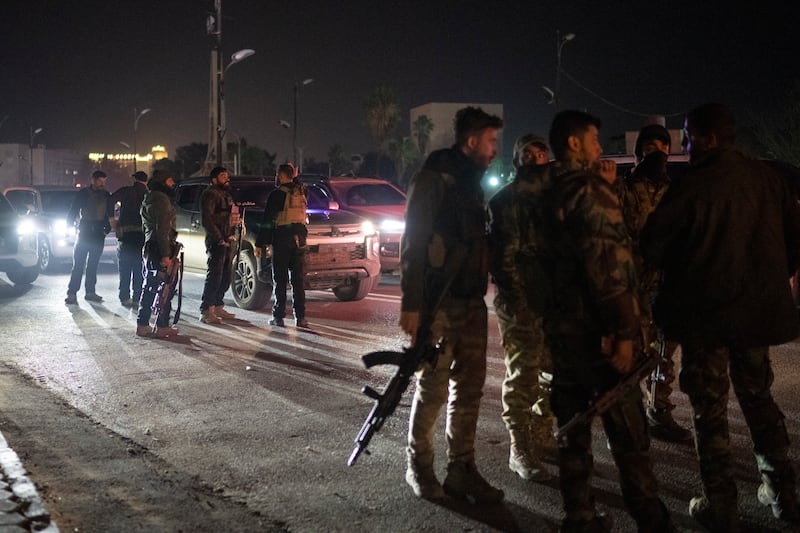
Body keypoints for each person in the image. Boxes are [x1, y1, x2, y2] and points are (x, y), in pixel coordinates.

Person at [640, 103, 800, 532]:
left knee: (708, 411)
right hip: (756, 317)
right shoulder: (769, 178)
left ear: (707, 137)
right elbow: (793, 244)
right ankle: (783, 496)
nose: (686, 146)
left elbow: (652, 245)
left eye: (689, 137)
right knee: (759, 400)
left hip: (704, 320)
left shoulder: (691, 184)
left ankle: (721, 506)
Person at [538, 110, 674, 532]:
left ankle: (578, 516)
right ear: (574, 143)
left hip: (561, 336)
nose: (600, 148)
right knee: (629, 435)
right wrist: (624, 334)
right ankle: (651, 518)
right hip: (599, 339)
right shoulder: (590, 191)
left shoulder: (539, 190)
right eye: (594, 139)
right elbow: (611, 270)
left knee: (574, 434)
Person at [400, 106, 504, 504]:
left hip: (472, 301)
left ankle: (462, 468)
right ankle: (420, 467)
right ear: (472, 140)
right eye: (491, 141)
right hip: (438, 302)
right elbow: (414, 240)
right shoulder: (434, 176)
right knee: (433, 386)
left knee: (471, 387)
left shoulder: (472, 182)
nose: (496, 149)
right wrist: (412, 304)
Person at [616, 124, 692, 443]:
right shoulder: (623, 189)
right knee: (634, 355)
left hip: (669, 286)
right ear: (639, 152)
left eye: (662, 146)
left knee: (664, 352)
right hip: (634, 287)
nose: (657, 151)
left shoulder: (675, 191)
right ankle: (627, 419)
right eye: (650, 146)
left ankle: (658, 412)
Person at [487, 133, 555, 483]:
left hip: (553, 300)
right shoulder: (504, 202)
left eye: (540, 153)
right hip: (519, 302)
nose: (534, 160)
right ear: (517, 161)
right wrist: (520, 304)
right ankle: (520, 446)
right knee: (524, 374)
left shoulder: (556, 198)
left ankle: (542, 434)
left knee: (554, 372)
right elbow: (504, 261)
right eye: (527, 154)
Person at [256, 163, 309, 328]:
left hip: (282, 239)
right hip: (300, 239)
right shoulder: (302, 192)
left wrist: (260, 243)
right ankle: (300, 318)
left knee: (280, 279)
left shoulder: (277, 194)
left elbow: (267, 220)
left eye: (278, 174)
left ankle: (278, 316)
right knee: (298, 280)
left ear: (281, 175)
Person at [137, 170, 180, 338]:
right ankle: (158, 325)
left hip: (151, 245)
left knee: (151, 285)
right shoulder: (161, 199)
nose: (172, 184)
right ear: (163, 182)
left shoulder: (150, 197)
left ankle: (145, 323)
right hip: (159, 246)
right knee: (164, 287)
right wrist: (165, 254)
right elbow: (162, 229)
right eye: (170, 180)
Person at [65, 170, 112, 304]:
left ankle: (90, 292)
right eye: (99, 181)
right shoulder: (83, 194)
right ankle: (72, 293)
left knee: (93, 265)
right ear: (93, 180)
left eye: (104, 181)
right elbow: (74, 209)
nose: (102, 184)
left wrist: (106, 230)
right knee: (79, 264)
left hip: (97, 233)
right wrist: (69, 224)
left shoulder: (106, 195)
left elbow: (109, 214)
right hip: (85, 232)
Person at [199, 166, 239, 324]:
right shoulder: (209, 194)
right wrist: (218, 238)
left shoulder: (226, 194)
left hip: (228, 239)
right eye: (223, 176)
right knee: (215, 275)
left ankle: (218, 305)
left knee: (225, 275)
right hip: (217, 241)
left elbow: (230, 215)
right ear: (214, 179)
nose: (226, 178)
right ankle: (206, 310)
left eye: (227, 175)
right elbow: (207, 219)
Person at [111, 170, 148, 308]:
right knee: (139, 267)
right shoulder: (148, 194)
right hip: (141, 236)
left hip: (125, 235)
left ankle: (124, 297)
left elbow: (110, 200)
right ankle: (137, 296)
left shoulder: (126, 191)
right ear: (146, 181)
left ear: (134, 179)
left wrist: (112, 220)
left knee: (125, 267)